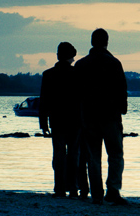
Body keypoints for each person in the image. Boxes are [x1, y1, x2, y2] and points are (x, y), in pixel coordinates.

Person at [76, 28, 129, 205]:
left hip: (88, 116)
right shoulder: (114, 63)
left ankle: (96, 194)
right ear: (107, 42)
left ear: (92, 42)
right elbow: (122, 89)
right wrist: (122, 109)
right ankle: (113, 190)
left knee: (93, 156)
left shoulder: (81, 65)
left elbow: (75, 93)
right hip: (110, 116)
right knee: (115, 154)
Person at [38, 42, 84, 198]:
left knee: (58, 153)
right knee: (74, 154)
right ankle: (73, 188)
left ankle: (59, 188)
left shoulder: (48, 74)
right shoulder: (77, 73)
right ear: (71, 57)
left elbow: (43, 101)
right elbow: (82, 99)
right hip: (75, 120)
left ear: (58, 55)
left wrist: (43, 123)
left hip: (57, 120)